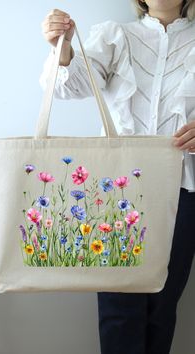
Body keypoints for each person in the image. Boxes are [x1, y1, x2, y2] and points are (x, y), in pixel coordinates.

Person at [40, 1, 195, 353]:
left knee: (162, 307)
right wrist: (61, 49)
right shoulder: (116, 36)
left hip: (184, 190)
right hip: (114, 193)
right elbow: (68, 87)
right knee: (118, 308)